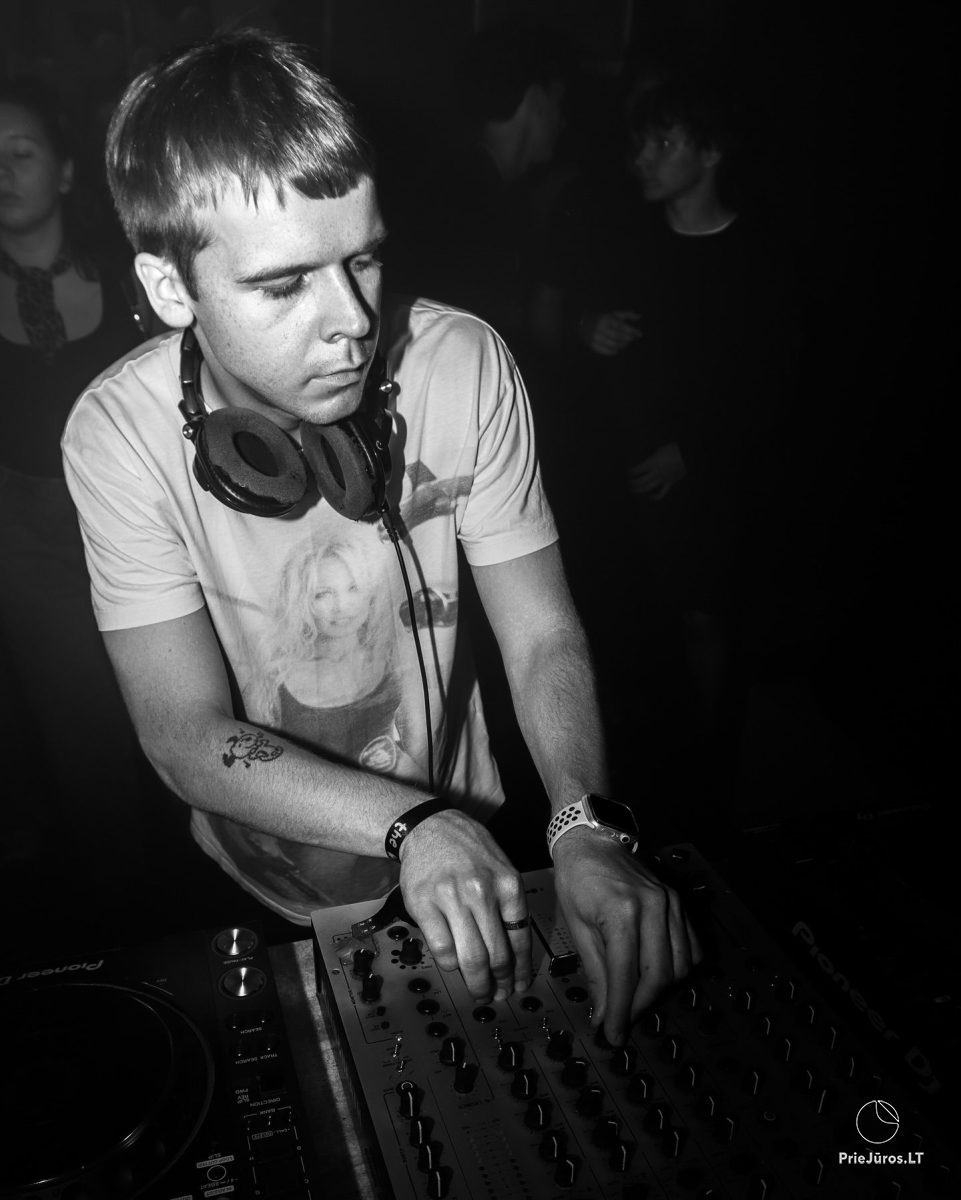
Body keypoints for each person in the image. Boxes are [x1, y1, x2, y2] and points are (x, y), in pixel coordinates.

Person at [61, 30, 700, 1045]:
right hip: (263, 876)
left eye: (362, 258)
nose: (354, 320)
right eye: (283, 285)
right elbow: (181, 730)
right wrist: (406, 825)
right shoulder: (116, 433)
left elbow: (542, 635)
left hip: (471, 849)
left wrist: (582, 823)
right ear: (171, 287)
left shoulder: (462, 364)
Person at [534, 77, 798, 771]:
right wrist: (587, 328)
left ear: (709, 152)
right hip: (619, 471)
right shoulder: (628, 239)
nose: (642, 158)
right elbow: (563, 328)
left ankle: (711, 763)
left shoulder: (758, 254)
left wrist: (693, 452)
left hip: (712, 481)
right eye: (640, 143)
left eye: (663, 143)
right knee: (625, 616)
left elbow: (772, 378)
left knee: (705, 617)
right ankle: (644, 760)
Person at [0, 77, 159, 944]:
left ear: (65, 171)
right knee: (83, 732)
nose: (1, 171)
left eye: (19, 152)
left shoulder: (132, 281)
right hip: (27, 539)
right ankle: (123, 924)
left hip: (135, 521)